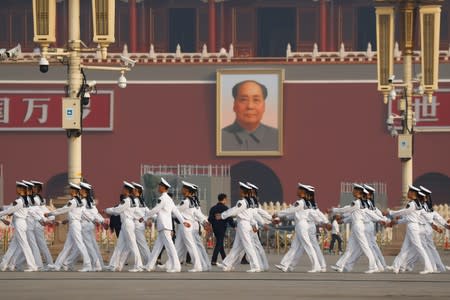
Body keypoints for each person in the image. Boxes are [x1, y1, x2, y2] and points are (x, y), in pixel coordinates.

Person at [142, 178, 190, 273]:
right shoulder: (168, 199)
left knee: (170, 247)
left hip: (164, 226)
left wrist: (144, 217)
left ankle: (176, 266)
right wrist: (183, 221)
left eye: (159, 186)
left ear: (163, 188)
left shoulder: (162, 198)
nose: (158, 188)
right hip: (165, 226)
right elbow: (175, 211)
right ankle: (150, 266)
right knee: (157, 247)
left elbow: (156, 209)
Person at [216, 182, 262, 272]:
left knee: (248, 246)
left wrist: (222, 215)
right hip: (245, 224)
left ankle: (256, 266)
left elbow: (234, 210)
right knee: (236, 247)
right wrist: (253, 224)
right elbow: (250, 215)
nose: (239, 192)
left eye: (240, 190)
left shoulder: (242, 202)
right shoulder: (250, 202)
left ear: (243, 192)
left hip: (243, 225)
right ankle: (227, 264)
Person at [46, 183, 92, 272]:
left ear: (74, 191)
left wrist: (50, 213)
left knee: (80, 245)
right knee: (67, 247)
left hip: (75, 225)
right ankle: (57, 265)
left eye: (70, 189)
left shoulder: (73, 202)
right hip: (74, 224)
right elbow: (83, 213)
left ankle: (88, 265)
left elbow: (63, 209)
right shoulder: (79, 201)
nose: (69, 191)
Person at [221, 80, 278, 151]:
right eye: (243, 100)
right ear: (234, 105)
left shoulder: (278, 137)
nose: (250, 106)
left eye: (256, 100)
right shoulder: (219, 138)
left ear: (264, 106)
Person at [104, 181, 143, 272]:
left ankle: (139, 266)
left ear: (127, 191)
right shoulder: (132, 200)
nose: (122, 190)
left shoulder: (126, 200)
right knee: (119, 246)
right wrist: (140, 217)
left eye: (123, 189)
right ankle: (114, 265)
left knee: (133, 245)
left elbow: (117, 210)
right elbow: (136, 212)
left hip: (127, 224)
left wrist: (106, 210)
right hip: (126, 224)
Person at [0, 181, 38, 272]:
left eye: (18, 188)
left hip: (19, 223)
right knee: (13, 246)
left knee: (25, 245)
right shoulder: (26, 201)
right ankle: (3, 264)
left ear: (21, 190)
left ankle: (32, 266)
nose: (16, 190)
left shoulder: (19, 201)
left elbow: (9, 211)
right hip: (22, 223)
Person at [208, 193, 234, 265]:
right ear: (224, 199)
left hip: (215, 228)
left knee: (220, 243)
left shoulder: (213, 208)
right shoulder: (225, 208)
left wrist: (212, 222)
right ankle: (213, 260)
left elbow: (210, 219)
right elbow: (229, 218)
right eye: (226, 199)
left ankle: (224, 259)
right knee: (219, 243)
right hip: (222, 227)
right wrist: (234, 226)